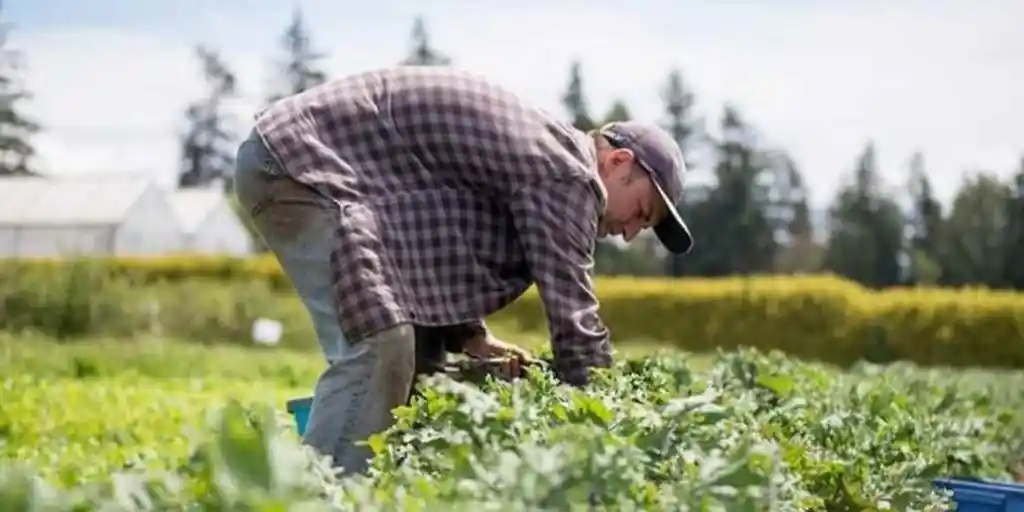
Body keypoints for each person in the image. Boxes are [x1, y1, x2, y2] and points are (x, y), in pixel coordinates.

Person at [232, 66, 693, 475]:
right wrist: (612, 420)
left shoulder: (541, 159)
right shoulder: (569, 175)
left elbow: (434, 246)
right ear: (618, 162)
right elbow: (575, 323)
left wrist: (471, 337)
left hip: (310, 167)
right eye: (642, 212)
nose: (631, 233)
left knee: (426, 366)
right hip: (300, 163)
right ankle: (314, 498)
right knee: (380, 344)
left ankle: (376, 483)